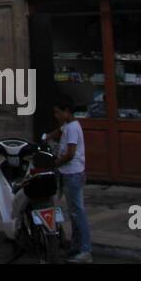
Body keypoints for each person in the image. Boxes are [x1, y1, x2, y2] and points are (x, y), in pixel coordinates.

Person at [51, 95, 91, 263]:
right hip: (69, 173)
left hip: (73, 174)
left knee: (78, 212)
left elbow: (70, 153)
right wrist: (47, 136)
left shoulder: (73, 128)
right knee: (73, 213)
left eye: (58, 112)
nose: (56, 116)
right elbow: (58, 132)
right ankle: (75, 246)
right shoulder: (68, 126)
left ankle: (85, 250)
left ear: (67, 111)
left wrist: (55, 163)